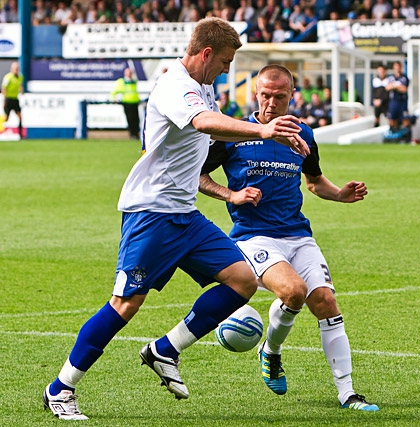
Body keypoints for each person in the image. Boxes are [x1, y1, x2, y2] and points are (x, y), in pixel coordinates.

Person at [42, 17, 309, 421]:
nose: (226, 69)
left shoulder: (203, 85)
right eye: (224, 61)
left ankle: (165, 350)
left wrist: (267, 134)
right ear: (205, 54)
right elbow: (203, 122)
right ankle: (60, 388)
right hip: (151, 212)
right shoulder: (176, 85)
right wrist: (264, 132)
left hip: (184, 213)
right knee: (125, 304)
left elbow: (212, 135)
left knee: (243, 279)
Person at [198, 64, 378, 412]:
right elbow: (197, 176)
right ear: (256, 93)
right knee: (293, 291)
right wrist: (230, 195)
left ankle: (347, 393)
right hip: (254, 237)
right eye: (265, 95)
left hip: (297, 234)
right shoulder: (235, 134)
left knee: (325, 301)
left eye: (279, 96)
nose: (271, 103)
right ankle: (272, 352)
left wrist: (340, 194)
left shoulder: (303, 134)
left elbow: (314, 182)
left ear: (291, 96)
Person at [110, 67, 141, 140]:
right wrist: (114, 99)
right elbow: (114, 91)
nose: (130, 74)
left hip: (135, 102)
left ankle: (136, 134)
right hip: (127, 102)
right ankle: (132, 134)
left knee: (136, 119)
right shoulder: (122, 81)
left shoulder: (134, 81)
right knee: (130, 119)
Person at [384, 61, 410, 142]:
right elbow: (387, 87)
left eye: (398, 67)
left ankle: (406, 137)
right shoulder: (391, 78)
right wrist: (397, 86)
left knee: (404, 119)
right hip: (393, 101)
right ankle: (393, 136)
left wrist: (394, 86)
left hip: (402, 101)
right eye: (395, 67)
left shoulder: (404, 78)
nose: (397, 69)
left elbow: (404, 89)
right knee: (392, 119)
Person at [1, 61, 24, 139]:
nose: (16, 70)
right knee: (6, 119)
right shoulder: (8, 77)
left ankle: (21, 135)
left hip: (15, 99)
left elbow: (20, 85)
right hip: (8, 99)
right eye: (15, 68)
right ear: (12, 69)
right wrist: (4, 100)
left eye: (17, 68)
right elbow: (4, 89)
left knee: (20, 117)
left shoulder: (20, 77)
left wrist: (21, 90)